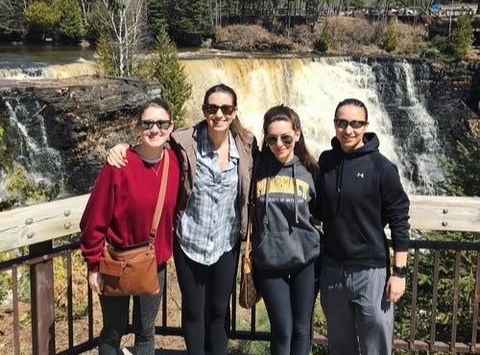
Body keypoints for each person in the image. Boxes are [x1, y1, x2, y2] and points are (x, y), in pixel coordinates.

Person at [107, 83, 259, 355]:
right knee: (193, 311)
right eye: (212, 108)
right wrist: (121, 147)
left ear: (234, 112)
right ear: (204, 110)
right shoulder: (183, 141)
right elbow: (152, 143)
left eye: (226, 108)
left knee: (219, 310)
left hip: (226, 243)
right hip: (190, 241)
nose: (219, 114)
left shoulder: (246, 144)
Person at [80, 98, 180, 354]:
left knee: (146, 331)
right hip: (116, 263)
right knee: (113, 331)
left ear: (171, 127)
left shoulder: (175, 162)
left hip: (153, 263)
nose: (154, 129)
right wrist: (94, 265)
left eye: (161, 123)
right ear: (138, 127)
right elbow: (93, 218)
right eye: (147, 123)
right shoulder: (119, 165)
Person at [316, 98, 410, 354]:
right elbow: (315, 207)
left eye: (356, 123)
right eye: (342, 123)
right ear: (335, 125)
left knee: (375, 346)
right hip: (333, 270)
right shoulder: (325, 162)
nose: (348, 130)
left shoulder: (381, 167)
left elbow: (399, 218)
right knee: (340, 345)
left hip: (371, 272)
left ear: (366, 126)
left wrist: (400, 272)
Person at [251, 105, 321, 355]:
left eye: (286, 138)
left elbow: (324, 210)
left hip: (306, 260)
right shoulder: (256, 167)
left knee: (302, 329)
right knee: (282, 329)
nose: (279, 144)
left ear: (297, 135)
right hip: (269, 260)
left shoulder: (312, 170)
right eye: (272, 139)